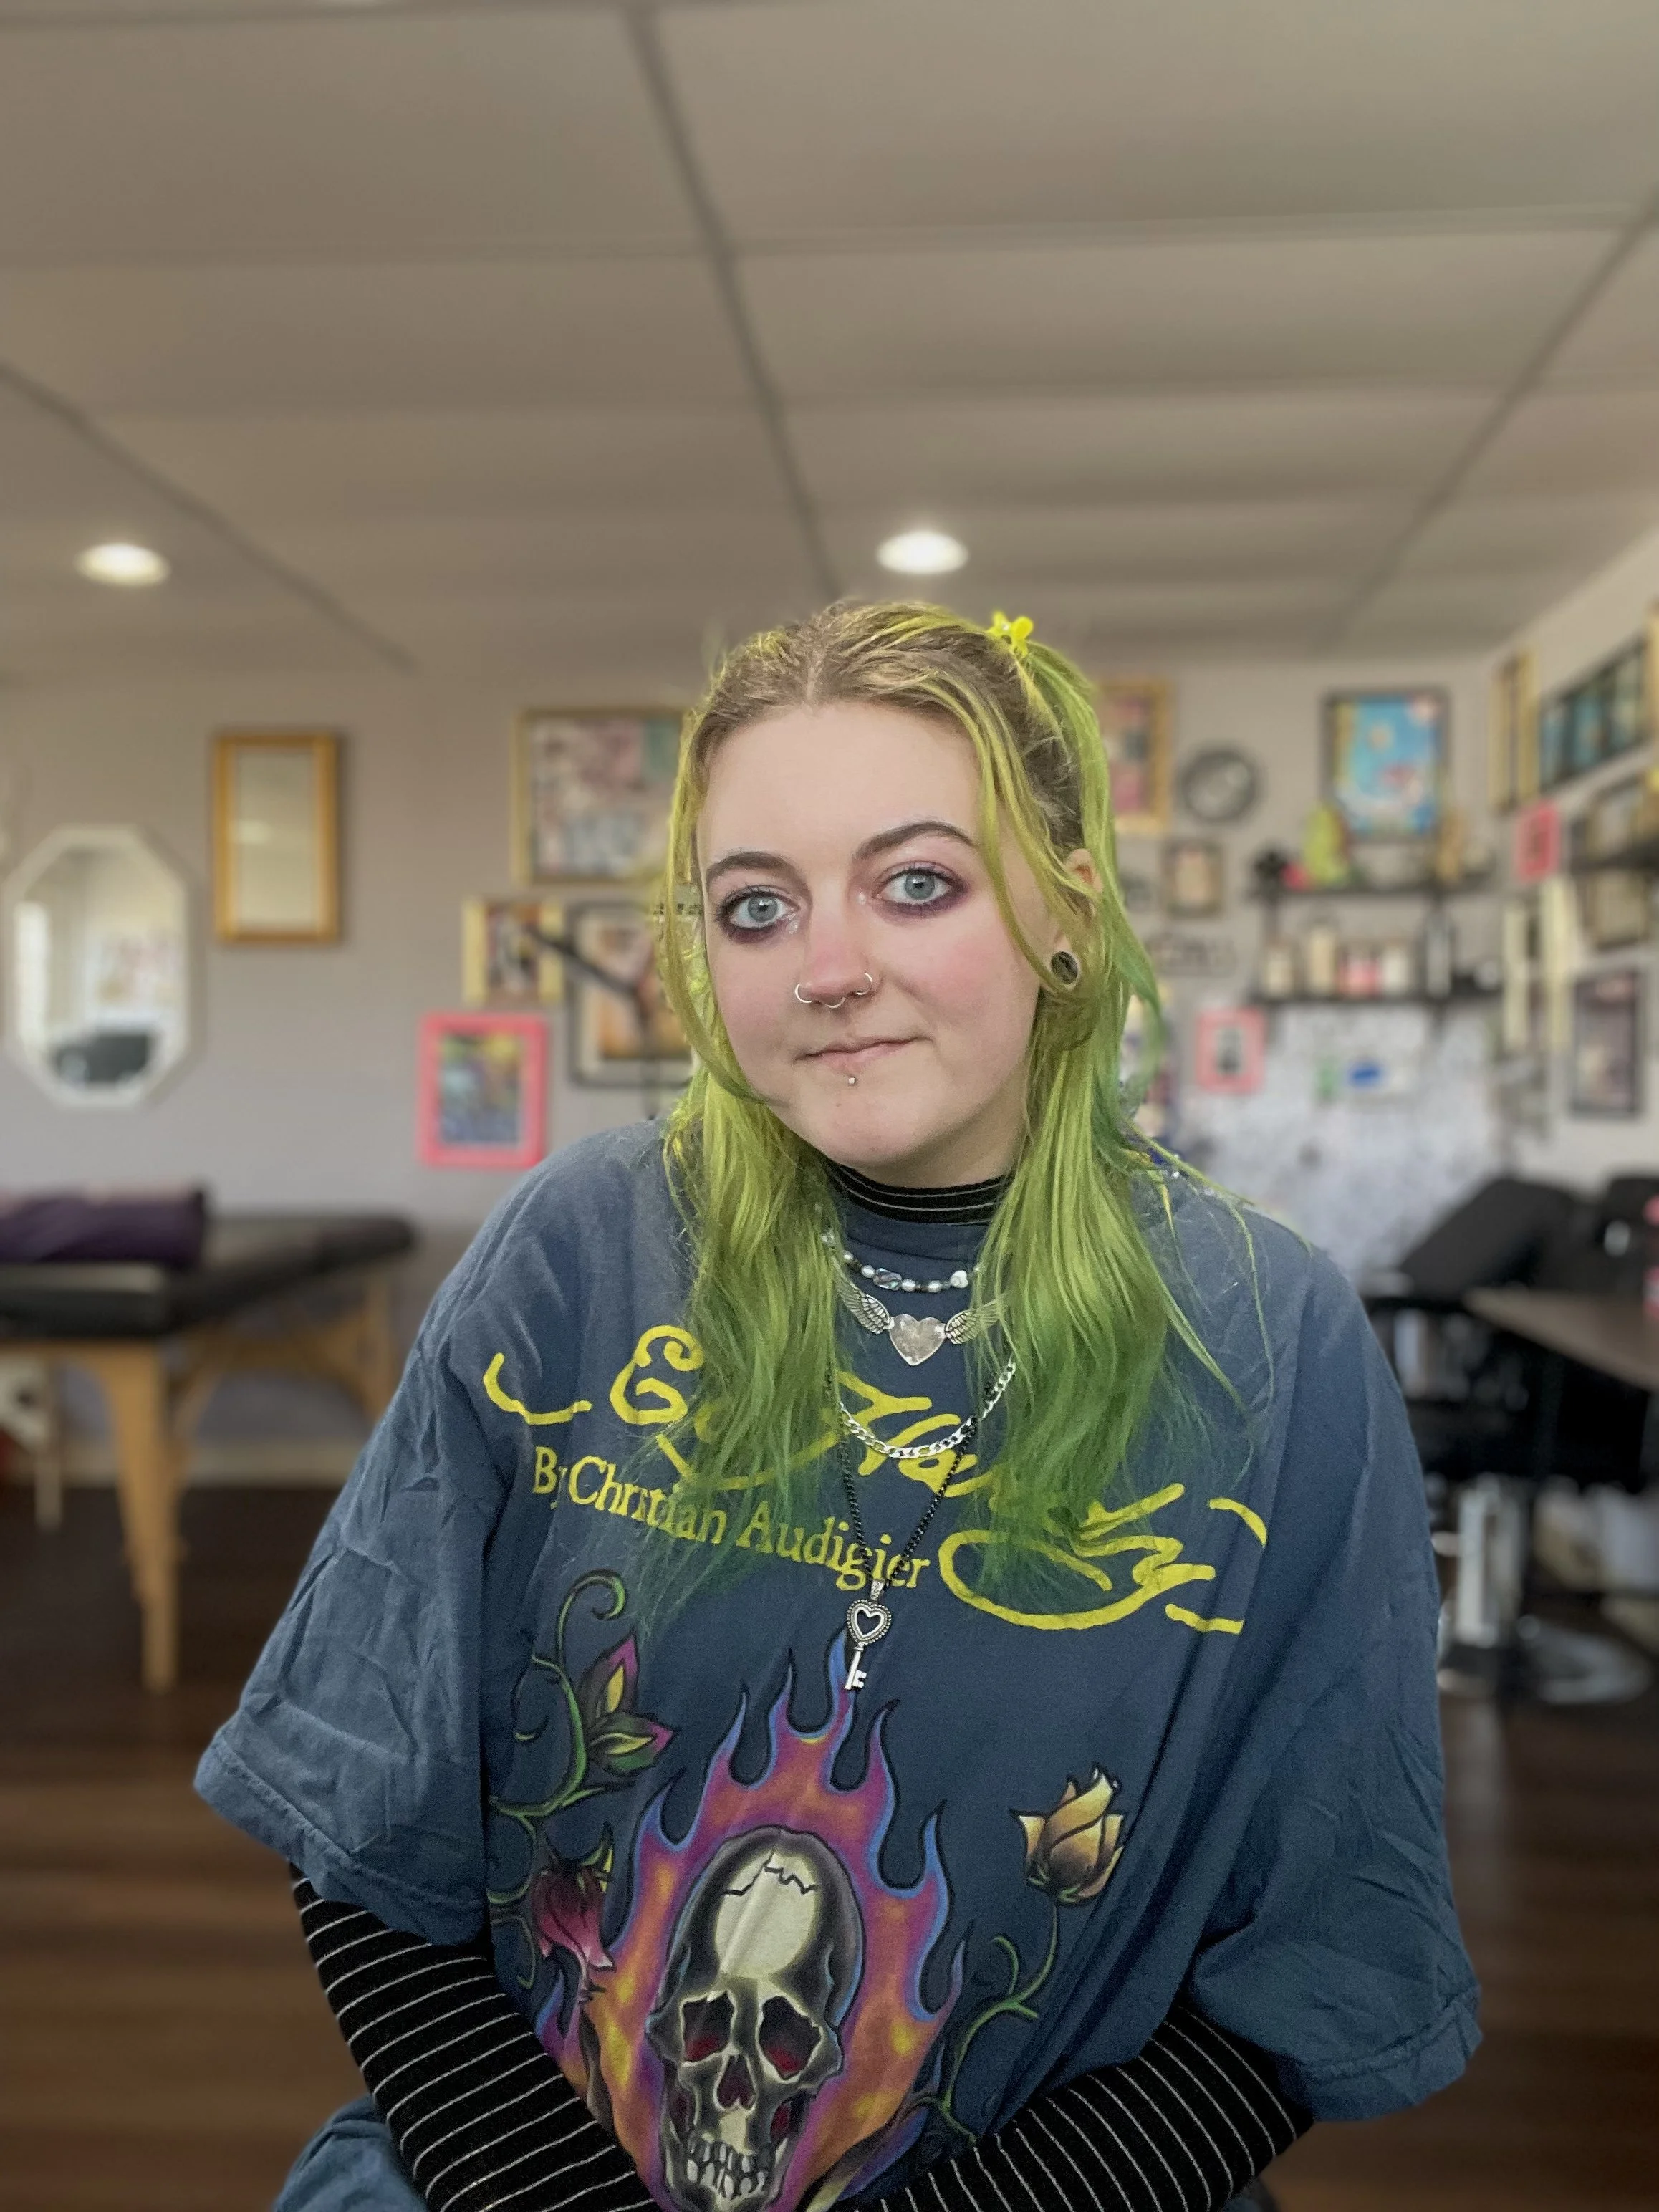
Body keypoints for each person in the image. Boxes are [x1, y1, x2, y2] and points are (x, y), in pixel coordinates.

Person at [198, 603, 1478, 2212]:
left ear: (1063, 905)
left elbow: (1309, 1967)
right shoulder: (577, 1252)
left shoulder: (1267, 1339)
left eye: (917, 880)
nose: (828, 967)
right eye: (756, 905)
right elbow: (364, 1819)